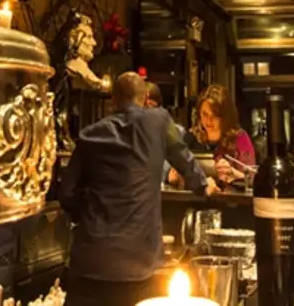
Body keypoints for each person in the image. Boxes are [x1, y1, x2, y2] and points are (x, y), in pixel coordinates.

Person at [59, 72, 217, 306]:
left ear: (113, 101)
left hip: (89, 260)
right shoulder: (159, 122)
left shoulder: (89, 135)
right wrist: (203, 186)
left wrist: (89, 217)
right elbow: (184, 159)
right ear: (145, 100)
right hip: (137, 264)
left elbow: (66, 193)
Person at [184, 83, 256, 184]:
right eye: (205, 114)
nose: (209, 120)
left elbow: (252, 178)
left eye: (215, 115)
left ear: (225, 116)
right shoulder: (191, 137)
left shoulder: (241, 138)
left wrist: (232, 172)